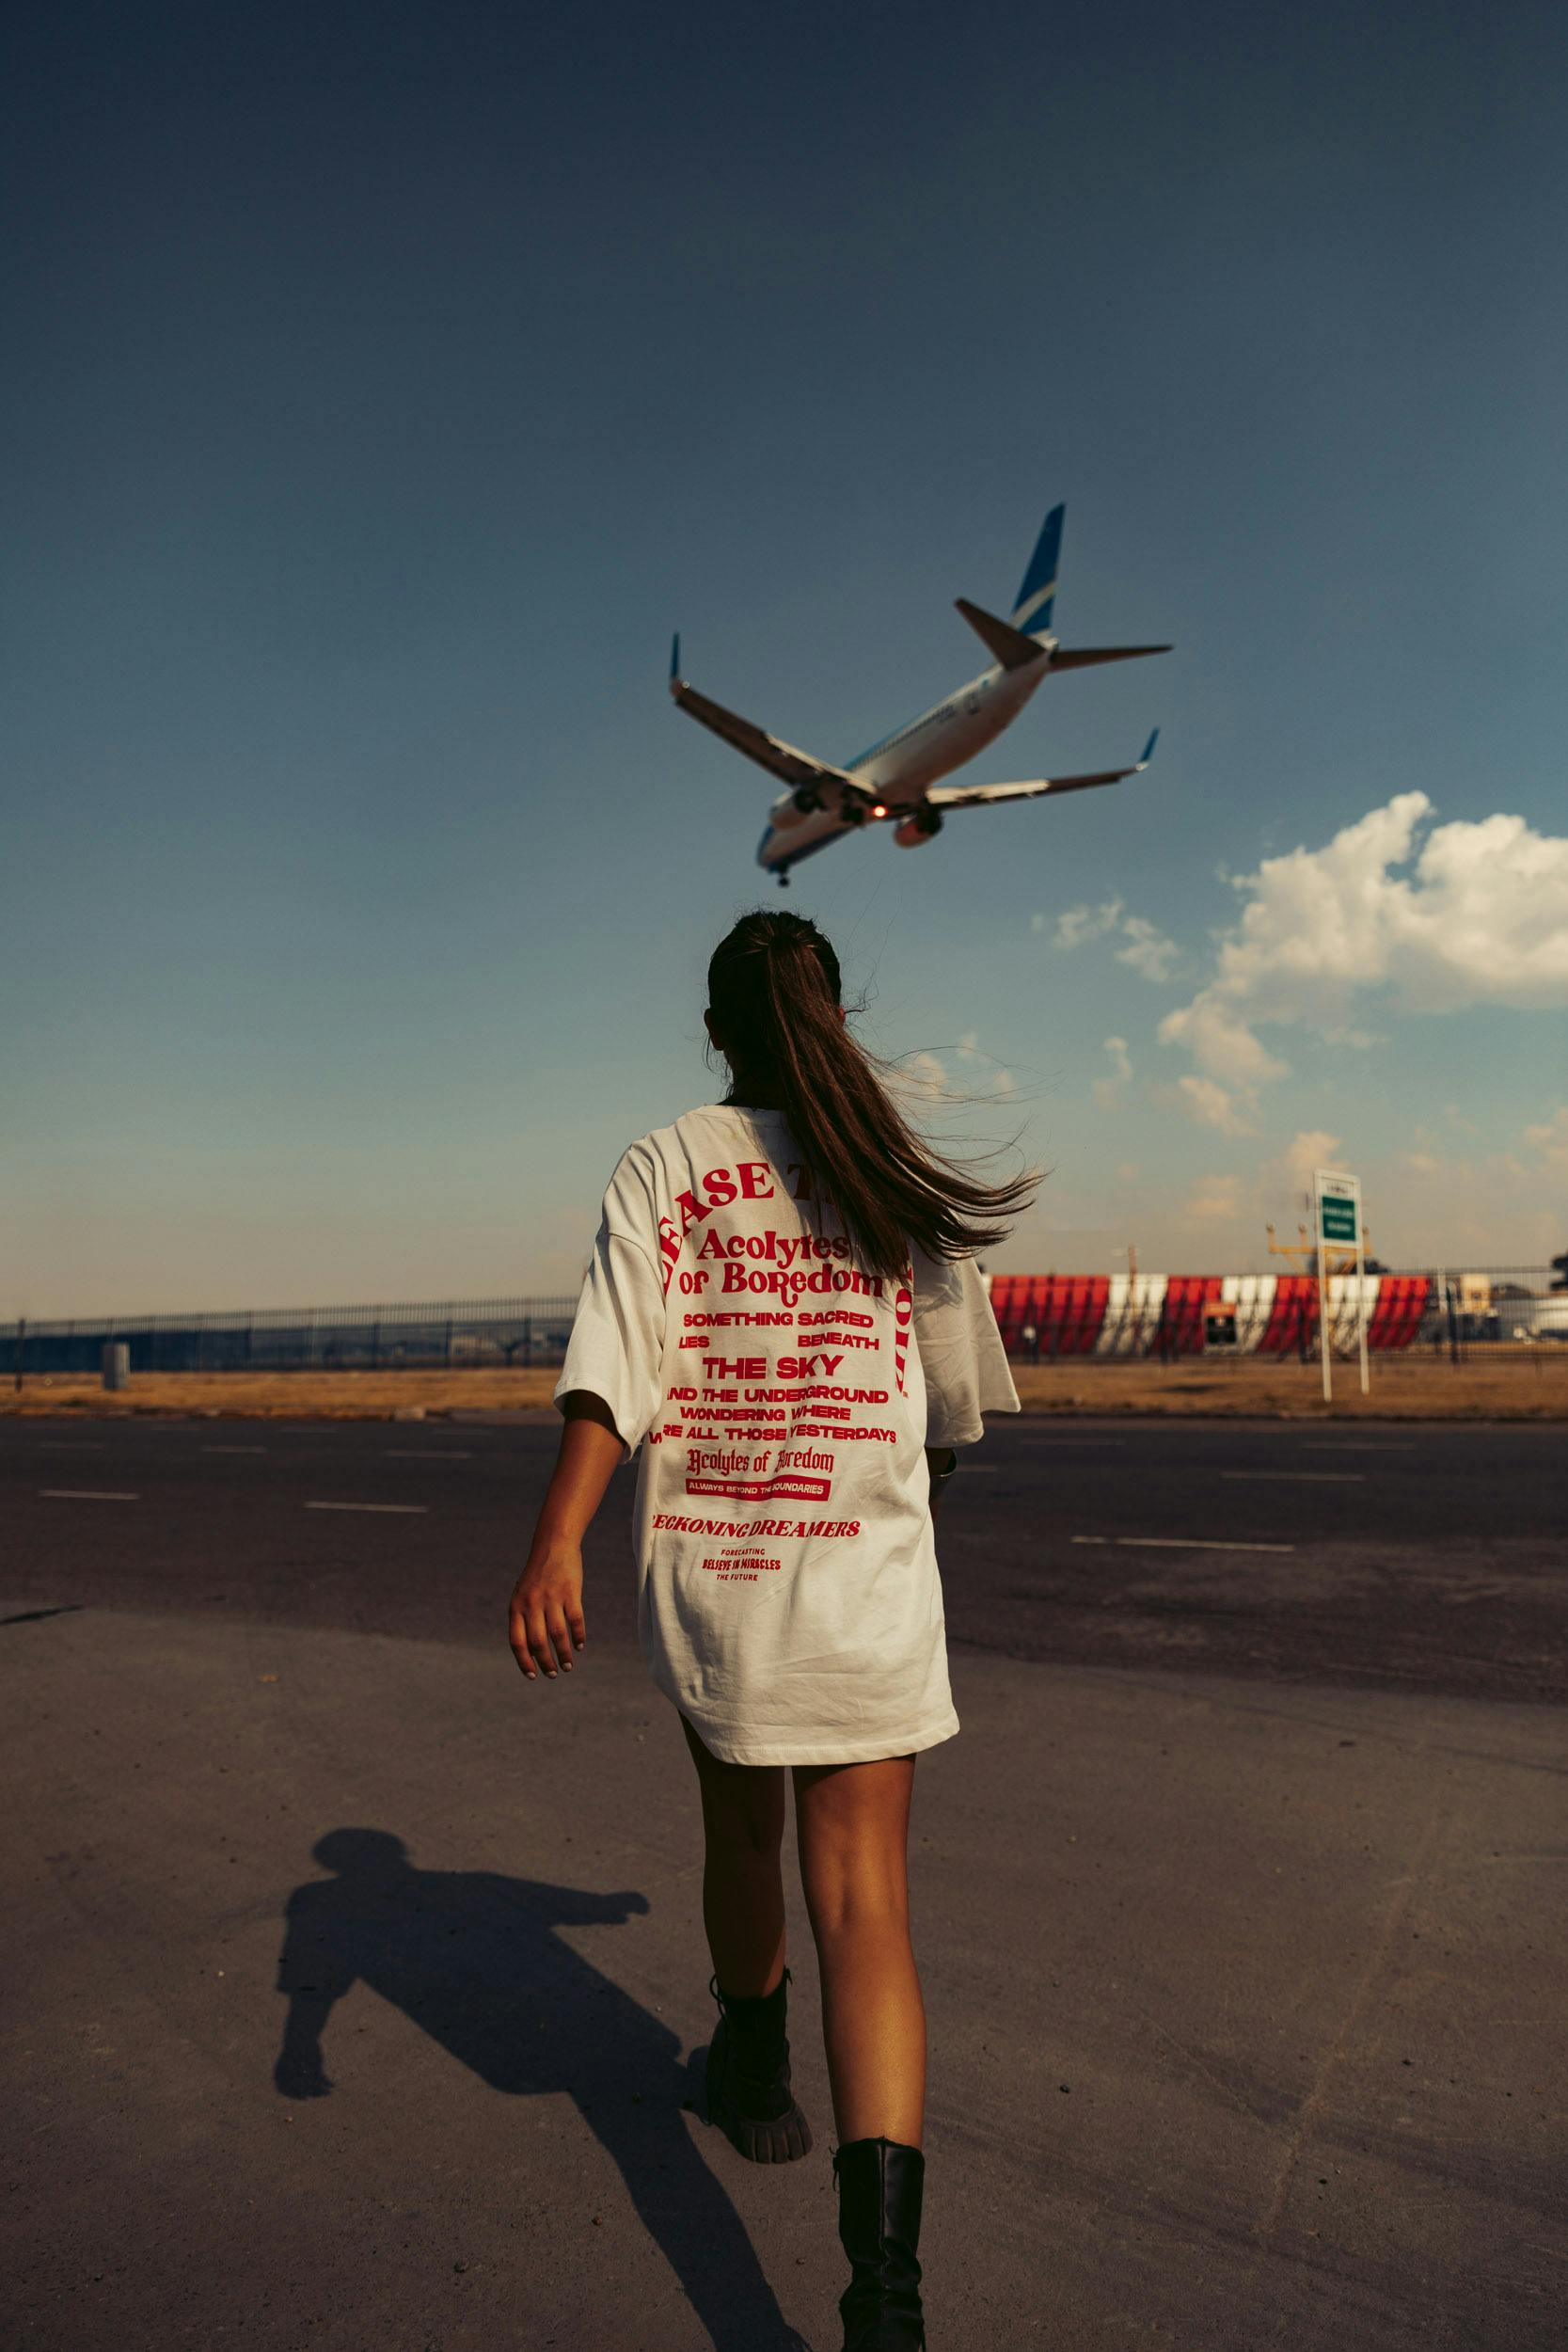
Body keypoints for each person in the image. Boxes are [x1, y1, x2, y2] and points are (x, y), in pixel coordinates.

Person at [507, 909, 1032, 2349]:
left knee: (742, 1842)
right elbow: (954, 1412)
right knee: (868, 1906)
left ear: (717, 1033)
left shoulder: (668, 1163)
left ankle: (753, 2065)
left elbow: (615, 1365)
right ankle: (885, 2304)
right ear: (835, 1016)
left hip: (725, 1586)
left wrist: (554, 1540)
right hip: (866, 1596)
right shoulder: (889, 1174)